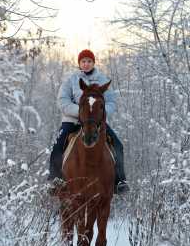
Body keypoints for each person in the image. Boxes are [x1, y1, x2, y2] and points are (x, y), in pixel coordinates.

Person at [48, 49, 129, 194]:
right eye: (83, 61)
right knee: (57, 146)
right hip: (72, 121)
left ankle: (119, 181)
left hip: (96, 123)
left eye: (89, 61)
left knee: (118, 144)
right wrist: (81, 113)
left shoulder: (103, 80)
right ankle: (55, 180)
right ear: (79, 63)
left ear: (93, 63)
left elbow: (111, 102)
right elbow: (63, 101)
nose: (86, 64)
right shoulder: (71, 80)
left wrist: (99, 115)